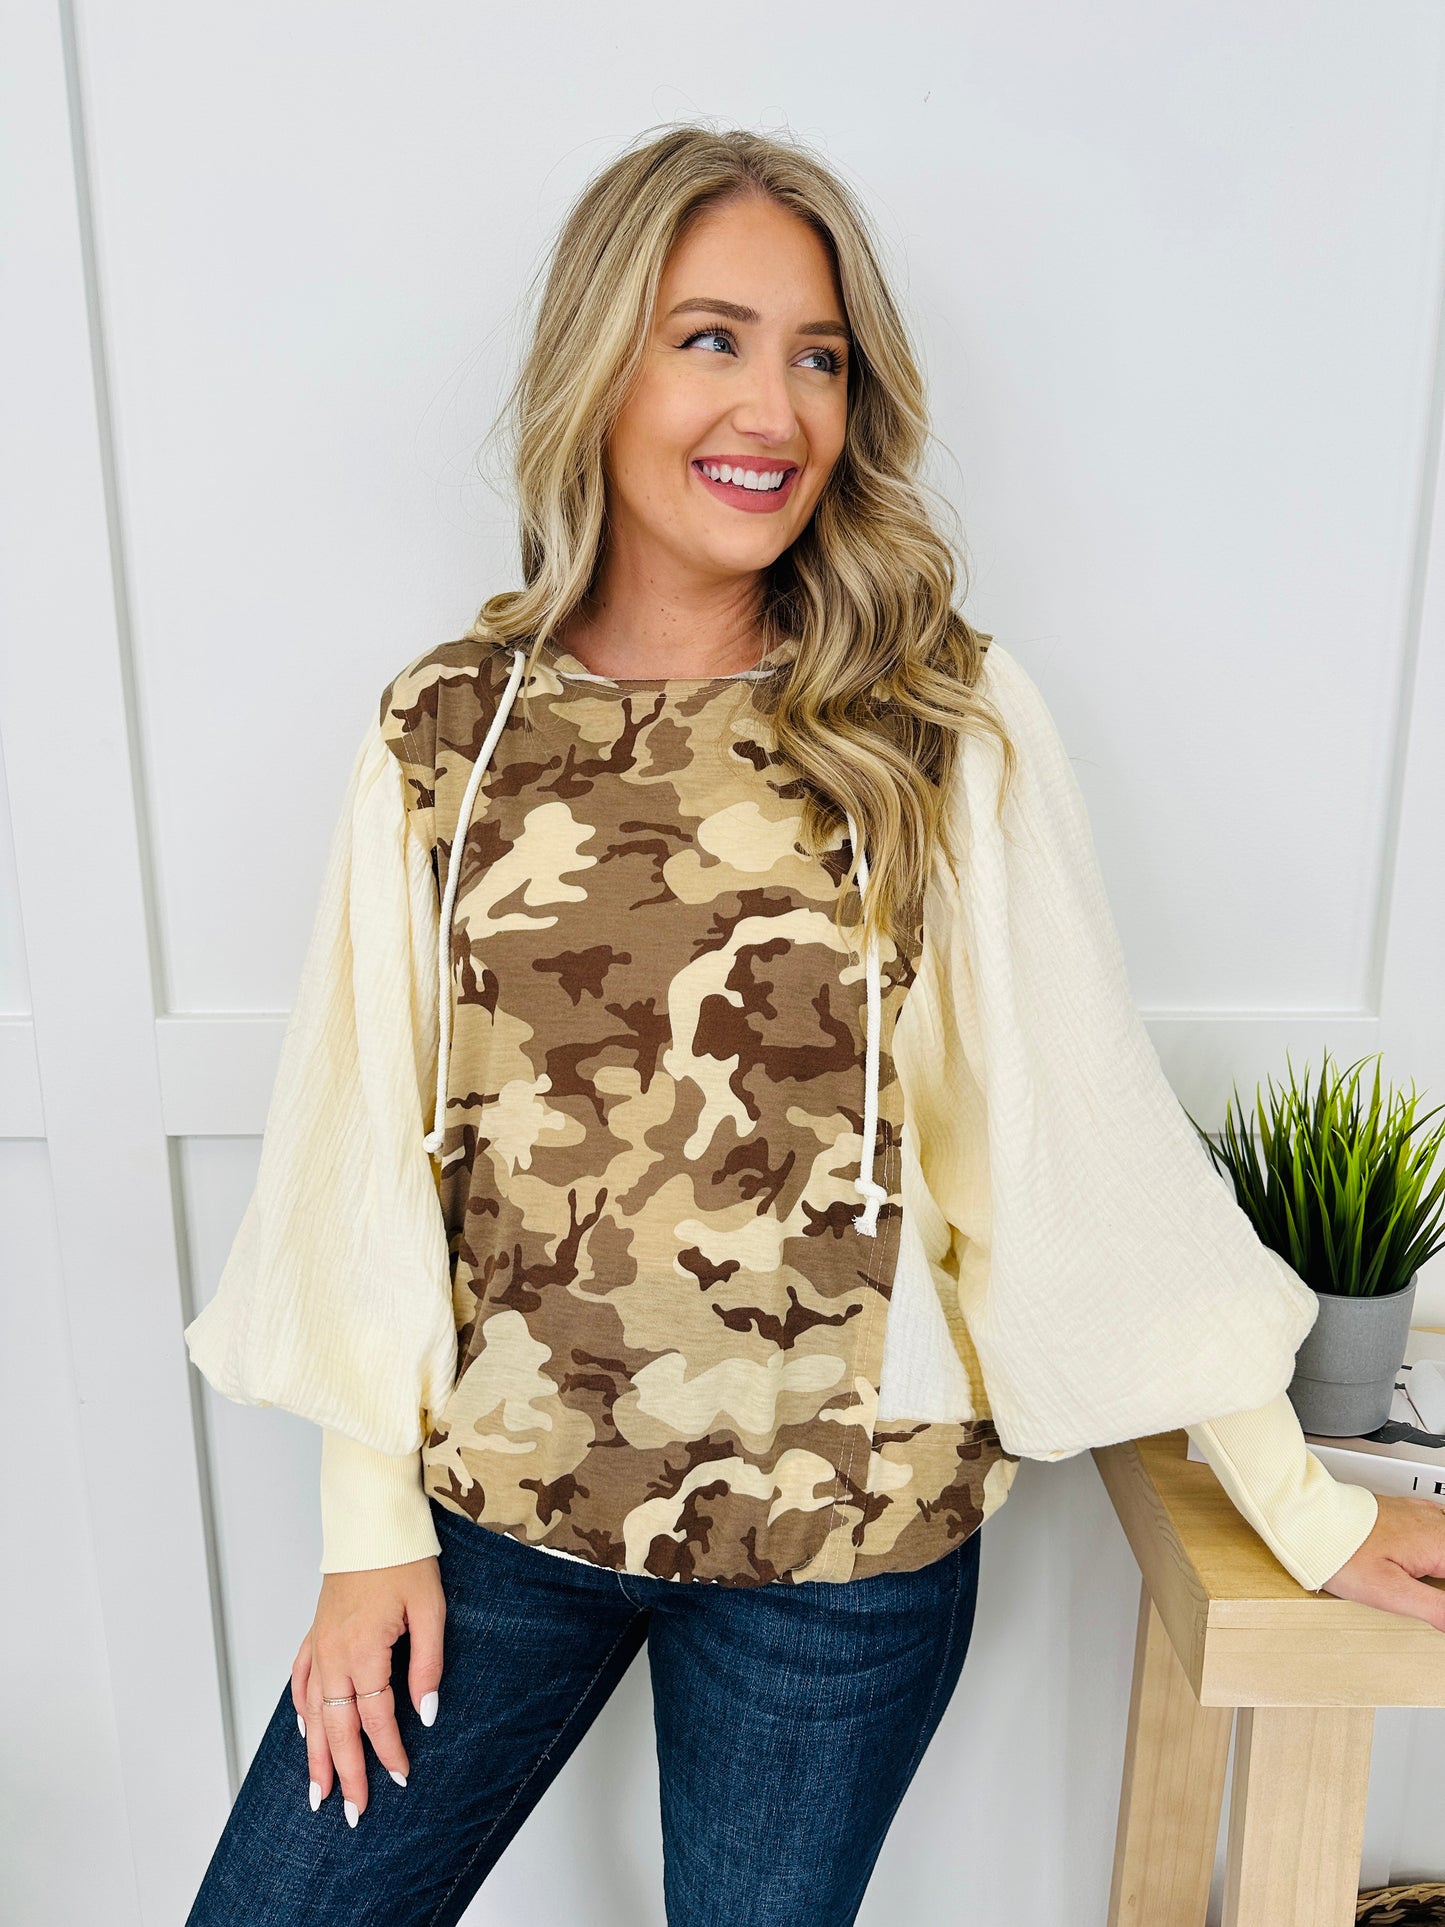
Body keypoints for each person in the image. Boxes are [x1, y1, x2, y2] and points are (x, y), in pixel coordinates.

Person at [182, 123, 1445, 1926]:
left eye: (819, 356)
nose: (772, 407)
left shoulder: (935, 715)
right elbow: (361, 1143)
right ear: (600, 364)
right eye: (710, 337)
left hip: (841, 1559)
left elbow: (1071, 1132)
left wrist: (1306, 1508)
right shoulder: (447, 726)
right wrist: (367, 1529)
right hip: (496, 1525)